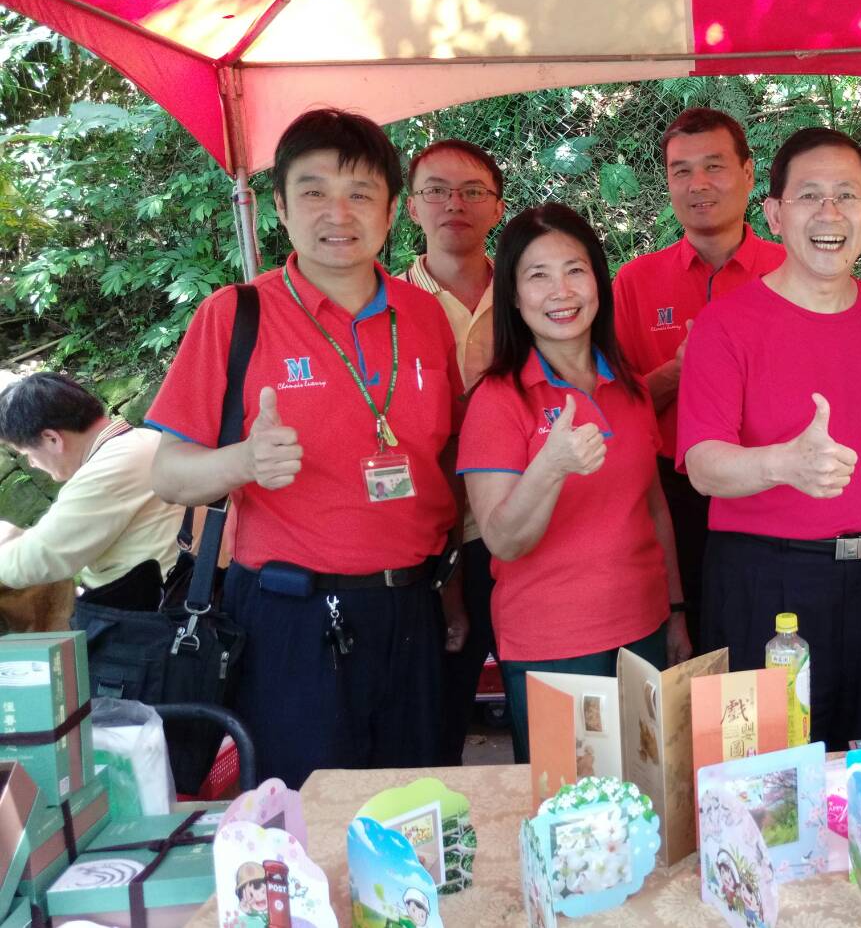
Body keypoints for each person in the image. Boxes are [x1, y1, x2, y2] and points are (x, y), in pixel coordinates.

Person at [147, 108, 466, 789]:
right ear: (282, 210)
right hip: (286, 620)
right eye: (314, 191)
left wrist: (456, 592)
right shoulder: (235, 315)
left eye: (359, 193)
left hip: (411, 608)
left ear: (389, 212)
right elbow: (169, 473)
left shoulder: (424, 315)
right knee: (303, 821)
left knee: (416, 811)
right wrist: (242, 463)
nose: (337, 212)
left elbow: (445, 461)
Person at [678, 126, 861, 751]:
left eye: (847, 195)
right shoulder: (725, 325)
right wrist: (784, 463)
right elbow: (703, 466)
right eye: (809, 195)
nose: (829, 213)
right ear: (775, 213)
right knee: (763, 785)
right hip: (764, 582)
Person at [459, 203, 690, 762]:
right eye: (537, 275)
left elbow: (653, 506)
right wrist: (551, 465)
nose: (560, 291)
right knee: (575, 829)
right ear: (514, 297)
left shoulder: (629, 387)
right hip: (553, 650)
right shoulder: (498, 401)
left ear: (598, 282)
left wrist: (677, 612)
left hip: (644, 633)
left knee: (652, 803)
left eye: (575, 270)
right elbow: (503, 539)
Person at [612, 108, 785, 646]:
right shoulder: (636, 281)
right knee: (686, 654)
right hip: (672, 494)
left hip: (769, 487)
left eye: (714, 166)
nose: (698, 184)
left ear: (750, 174)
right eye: (681, 170)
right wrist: (681, 371)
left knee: (770, 641)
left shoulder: (792, 271)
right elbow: (613, 408)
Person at [401, 139, 504, 766]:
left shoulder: (530, 295)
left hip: (520, 525)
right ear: (410, 208)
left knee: (540, 701)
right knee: (433, 715)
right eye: (435, 190)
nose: (453, 204)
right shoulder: (387, 306)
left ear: (497, 207)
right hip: (427, 538)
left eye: (472, 191)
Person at [0, 372, 182, 610]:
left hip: (149, 618)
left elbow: (33, 562)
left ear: (51, 439)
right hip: (176, 590)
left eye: (27, 454)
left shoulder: (106, 473)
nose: (32, 464)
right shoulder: (147, 440)